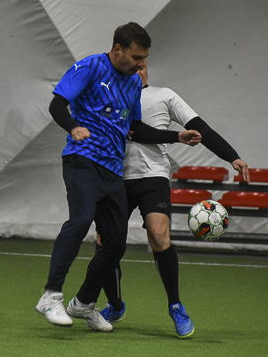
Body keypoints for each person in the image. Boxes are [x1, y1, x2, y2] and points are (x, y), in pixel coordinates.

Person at [35, 22, 201, 332]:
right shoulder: (90, 67)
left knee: (114, 245)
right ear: (117, 50)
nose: (142, 64)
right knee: (81, 220)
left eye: (145, 58)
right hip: (83, 159)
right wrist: (72, 127)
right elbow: (57, 104)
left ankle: (84, 305)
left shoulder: (134, 83)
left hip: (113, 171)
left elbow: (135, 128)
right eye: (137, 57)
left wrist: (177, 136)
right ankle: (51, 295)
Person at [96, 61, 249, 337]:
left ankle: (176, 306)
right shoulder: (112, 96)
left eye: (142, 65)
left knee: (159, 235)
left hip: (153, 177)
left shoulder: (164, 95)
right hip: (115, 176)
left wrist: (232, 156)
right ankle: (115, 306)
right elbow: (119, 130)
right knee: (104, 241)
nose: (138, 70)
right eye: (133, 65)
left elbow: (200, 128)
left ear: (148, 69)